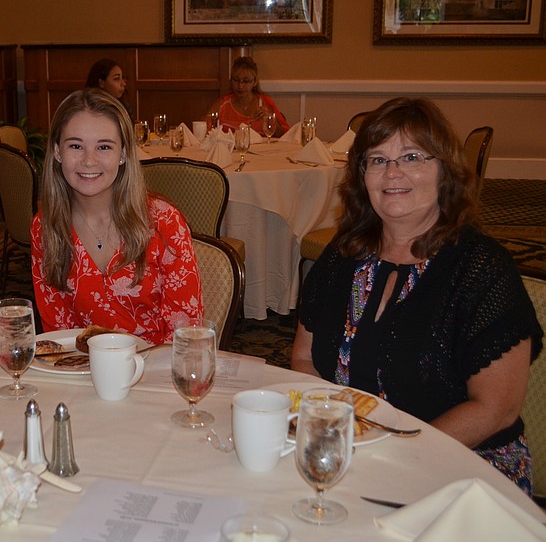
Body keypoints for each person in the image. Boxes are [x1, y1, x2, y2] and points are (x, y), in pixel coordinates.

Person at [291, 97, 542, 494]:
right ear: (362, 177)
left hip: (464, 469)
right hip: (352, 459)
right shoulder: (343, 255)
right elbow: (303, 359)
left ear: (445, 171)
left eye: (411, 157)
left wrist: (394, 454)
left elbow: (495, 410)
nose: (392, 172)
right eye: (377, 159)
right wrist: (334, 434)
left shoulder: (481, 270)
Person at [31, 89, 203, 345]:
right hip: (82, 373)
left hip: (155, 372)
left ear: (123, 154)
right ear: (57, 151)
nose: (89, 161)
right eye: (76, 146)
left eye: (104, 147)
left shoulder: (164, 222)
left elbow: (186, 334)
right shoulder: (45, 227)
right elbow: (60, 335)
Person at [205, 56, 288, 136]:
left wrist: (270, 121)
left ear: (255, 82)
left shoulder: (266, 103)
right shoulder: (222, 104)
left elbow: (285, 134)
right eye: (236, 80)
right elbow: (204, 128)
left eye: (246, 81)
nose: (240, 86)